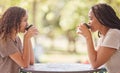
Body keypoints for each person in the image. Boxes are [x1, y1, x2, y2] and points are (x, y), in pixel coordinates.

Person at [77, 3, 120, 73]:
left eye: (91, 18)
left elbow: (95, 64)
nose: (89, 22)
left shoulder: (114, 34)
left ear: (101, 18)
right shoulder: (104, 36)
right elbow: (94, 57)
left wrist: (88, 37)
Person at [0, 6, 39, 73]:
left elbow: (31, 61)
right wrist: (26, 38)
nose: (27, 24)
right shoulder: (5, 40)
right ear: (14, 21)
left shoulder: (17, 38)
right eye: (25, 20)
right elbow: (24, 64)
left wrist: (28, 38)